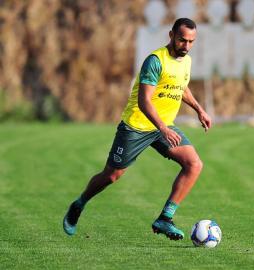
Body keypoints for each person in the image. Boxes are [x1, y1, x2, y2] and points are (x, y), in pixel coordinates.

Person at [63, 18, 211, 241]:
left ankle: (165, 218)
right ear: (171, 35)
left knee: (194, 164)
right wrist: (162, 127)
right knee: (112, 175)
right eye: (182, 40)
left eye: (191, 42)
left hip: (163, 126)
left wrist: (200, 109)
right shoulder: (155, 61)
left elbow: (181, 86)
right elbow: (144, 101)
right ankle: (79, 203)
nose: (186, 46)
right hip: (137, 126)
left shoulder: (186, 61)